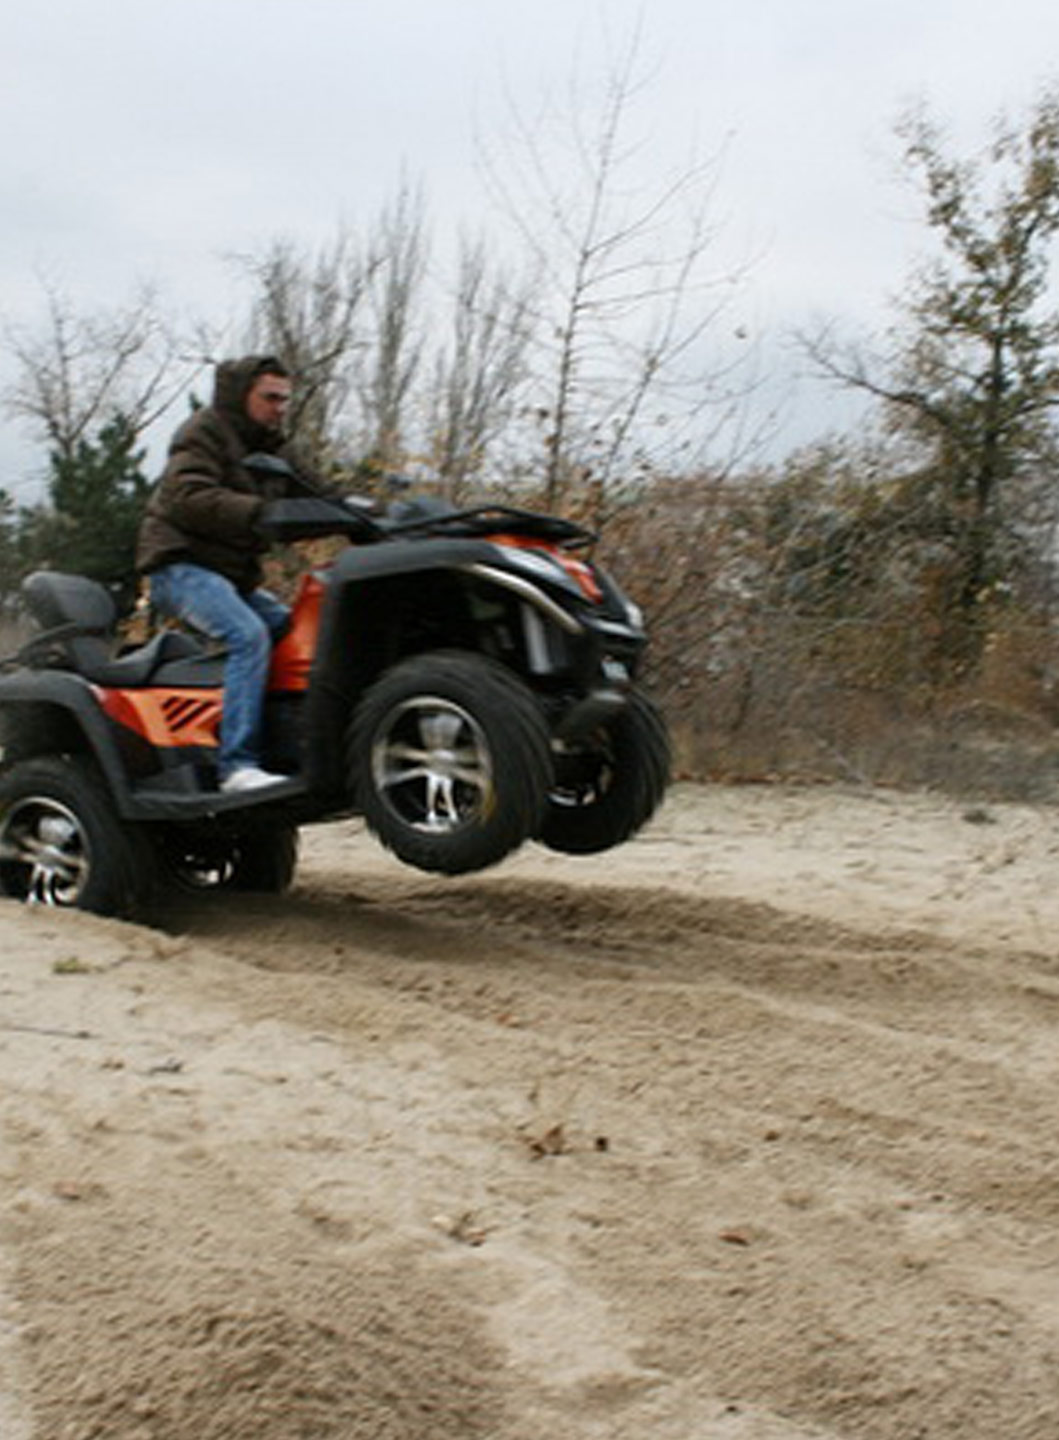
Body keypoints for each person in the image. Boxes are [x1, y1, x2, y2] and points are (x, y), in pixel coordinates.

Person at [137, 355, 313, 793]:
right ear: (241, 395)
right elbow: (188, 497)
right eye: (270, 398)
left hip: (231, 578)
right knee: (247, 635)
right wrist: (259, 512)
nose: (279, 408)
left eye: (285, 400)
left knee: (294, 633)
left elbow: (320, 492)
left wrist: (381, 517)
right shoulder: (203, 433)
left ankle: (285, 746)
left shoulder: (274, 449)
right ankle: (236, 766)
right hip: (180, 566)